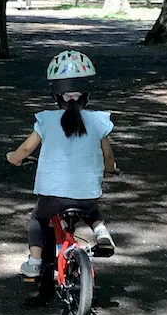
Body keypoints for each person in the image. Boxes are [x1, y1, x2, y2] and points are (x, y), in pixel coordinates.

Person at [6, 50, 118, 284]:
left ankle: (34, 263)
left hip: (52, 196)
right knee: (92, 212)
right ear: (87, 95)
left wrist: (13, 158)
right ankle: (102, 234)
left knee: (38, 218)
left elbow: (25, 150)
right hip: (86, 194)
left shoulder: (46, 120)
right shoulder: (97, 120)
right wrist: (109, 168)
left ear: (55, 95)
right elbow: (108, 154)